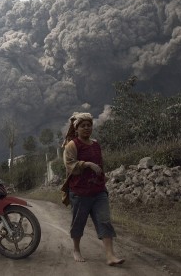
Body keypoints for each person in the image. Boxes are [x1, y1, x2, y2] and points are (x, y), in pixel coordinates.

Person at [63, 112, 125, 266]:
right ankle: (76, 249)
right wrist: (87, 164)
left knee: (104, 221)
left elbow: (100, 164)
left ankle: (110, 255)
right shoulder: (72, 145)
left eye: (89, 125)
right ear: (76, 129)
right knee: (78, 223)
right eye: (83, 126)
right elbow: (70, 165)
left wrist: (102, 179)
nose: (86, 128)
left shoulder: (96, 144)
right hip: (79, 192)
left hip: (98, 191)